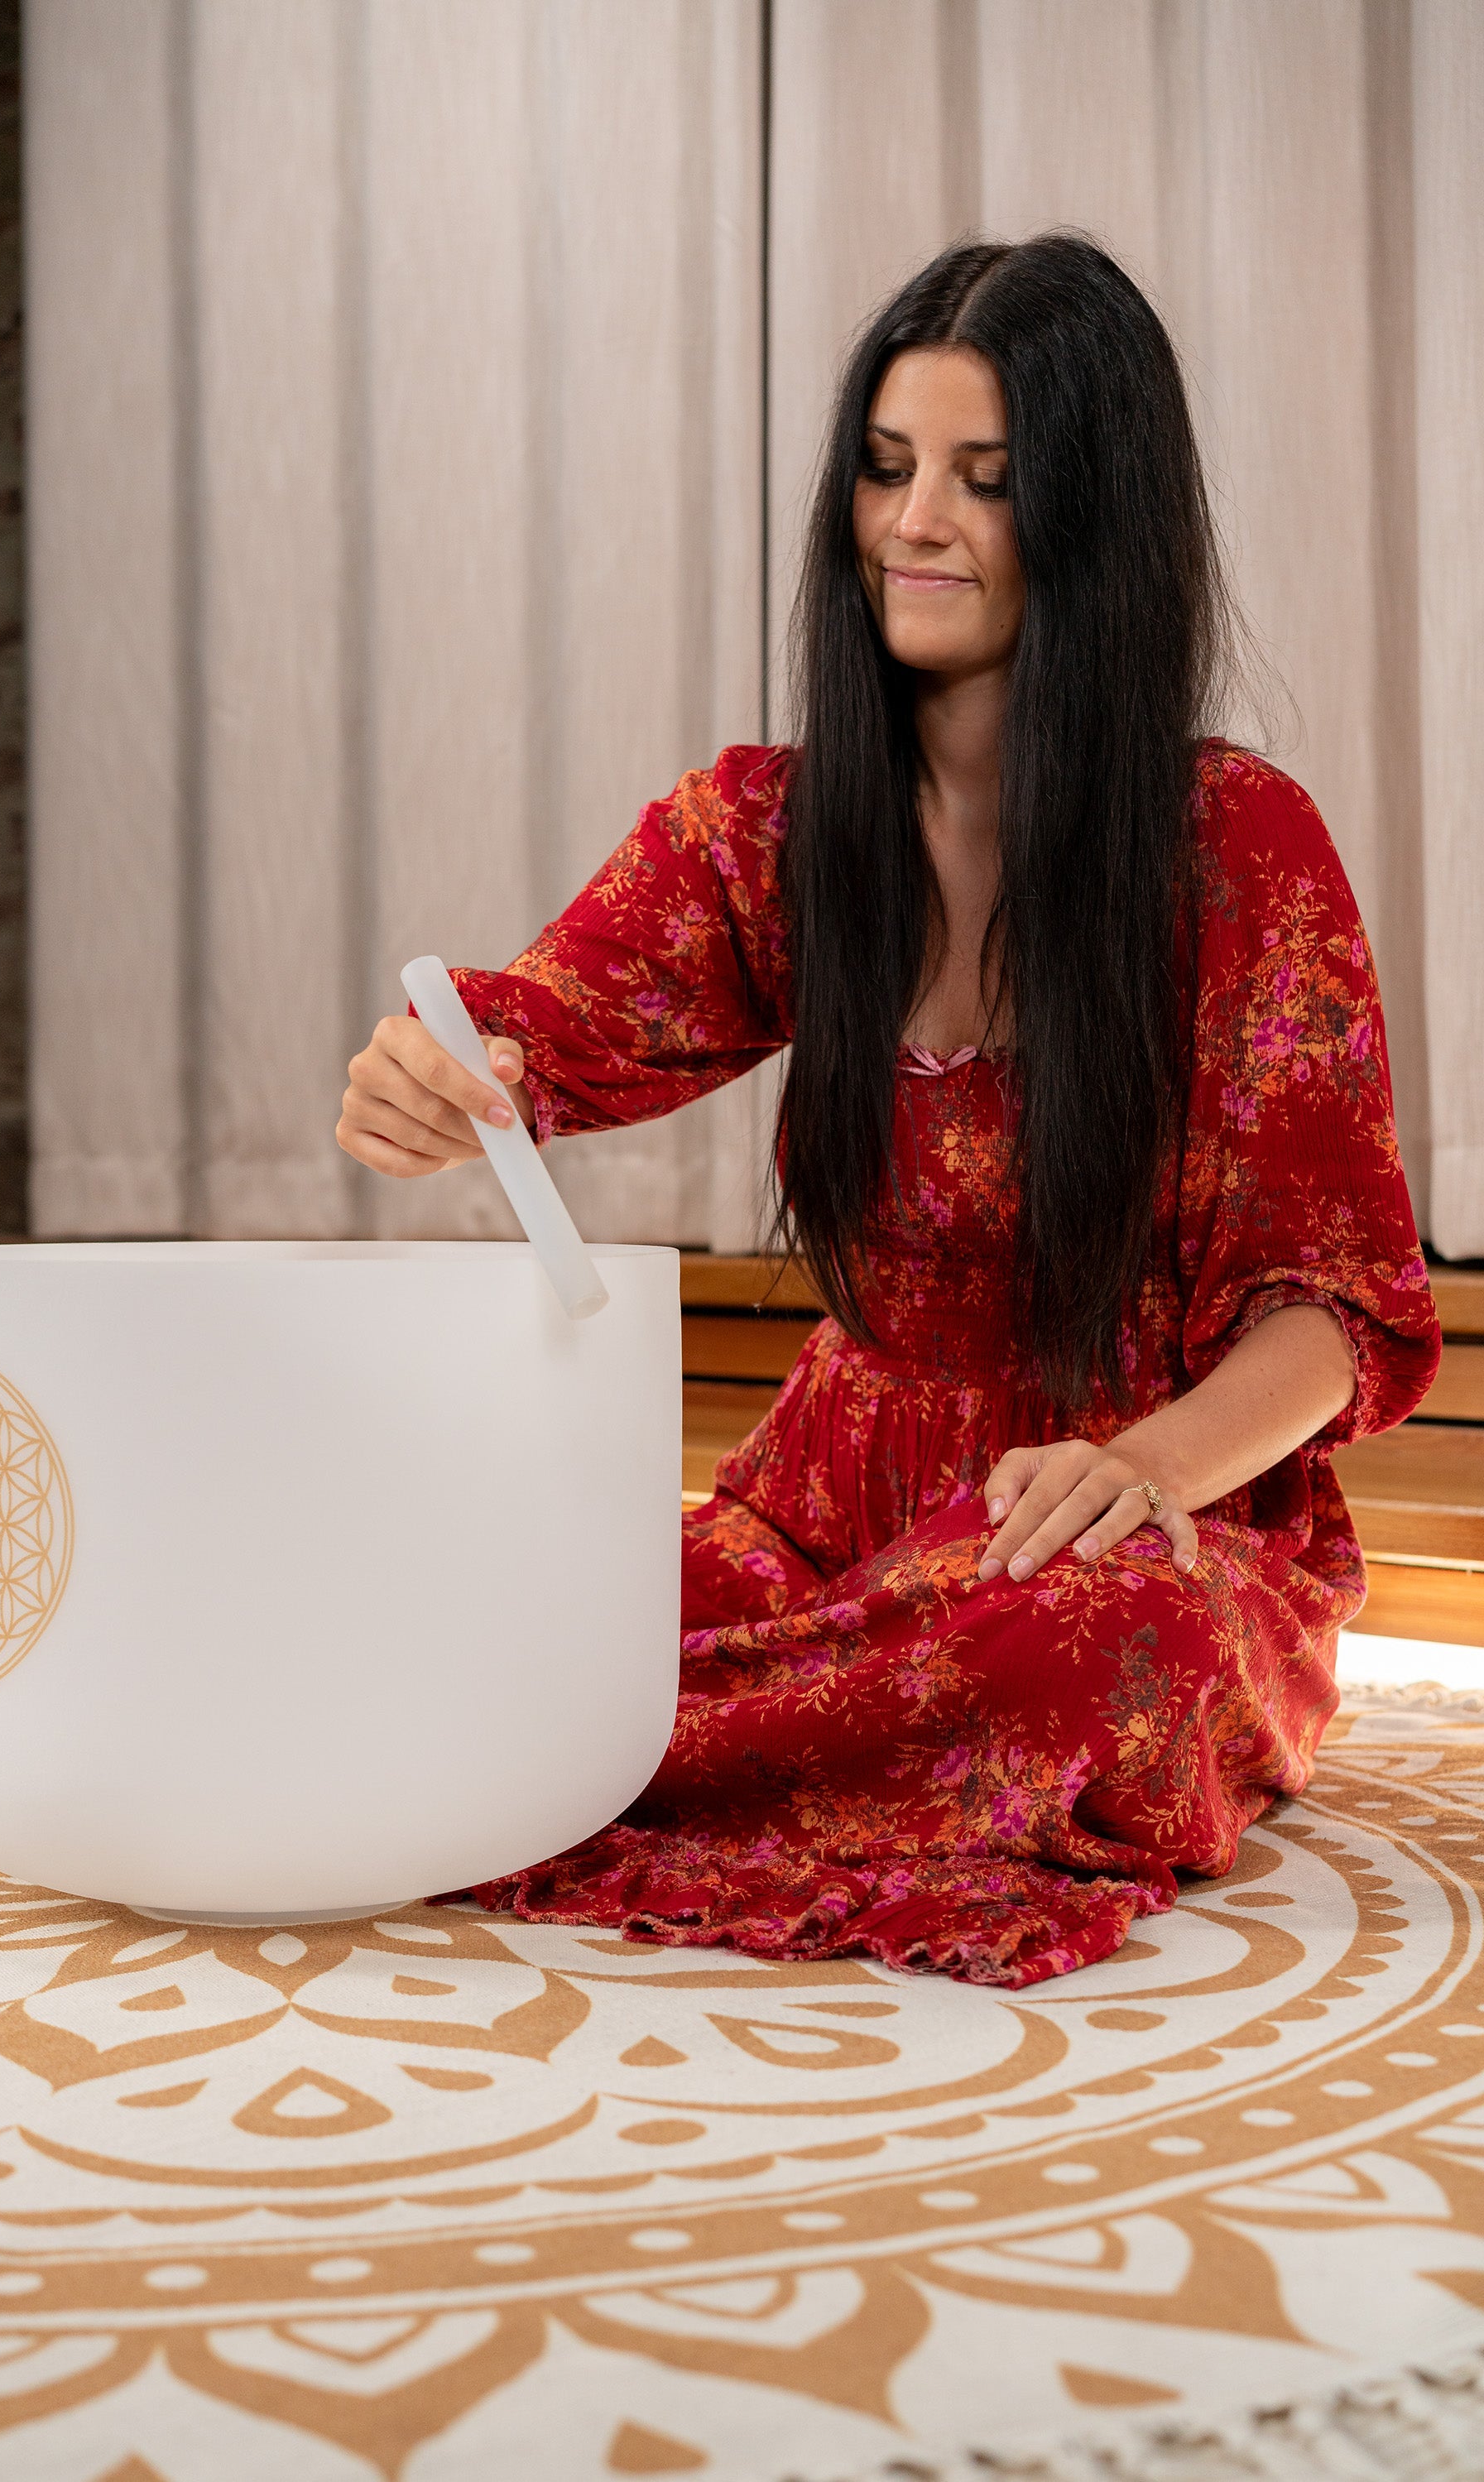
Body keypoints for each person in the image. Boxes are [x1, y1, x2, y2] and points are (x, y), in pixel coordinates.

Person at [337, 233, 1438, 1987]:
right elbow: (541, 1025)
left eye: (984, 483)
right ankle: (600, 1721)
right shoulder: (764, 826)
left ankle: (558, 1751)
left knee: (1093, 1659)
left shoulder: (1238, 849)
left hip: (1127, 1531)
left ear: (1094, 518)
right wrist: (448, 1073)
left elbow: (1332, 1310)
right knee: (503, 1569)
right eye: (885, 464)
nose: (911, 523)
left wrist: (1138, 1471)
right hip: (819, 1512)